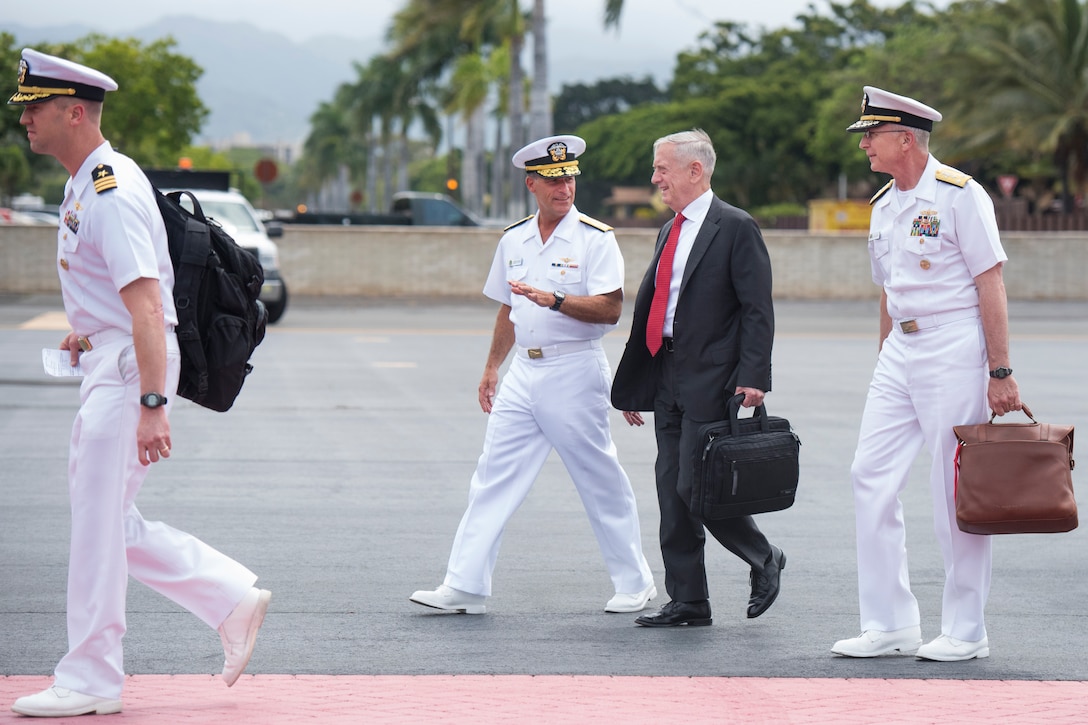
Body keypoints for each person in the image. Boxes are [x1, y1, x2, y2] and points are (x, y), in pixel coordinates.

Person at [8, 49, 271, 718]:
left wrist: (153, 403)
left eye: (35, 108)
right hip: (114, 362)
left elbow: (151, 305)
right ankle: (229, 598)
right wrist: (89, 330)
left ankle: (92, 676)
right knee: (107, 522)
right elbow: (118, 298)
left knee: (97, 528)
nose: (25, 120)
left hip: (130, 373)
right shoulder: (85, 182)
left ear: (74, 111)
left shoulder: (109, 188)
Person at [410, 135, 656, 615]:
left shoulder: (595, 239)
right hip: (525, 370)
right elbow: (508, 306)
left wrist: (556, 299)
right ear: (532, 184)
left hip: (574, 368)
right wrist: (491, 366)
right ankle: (465, 585)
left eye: (569, 179)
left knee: (597, 475)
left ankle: (635, 581)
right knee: (493, 475)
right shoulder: (514, 238)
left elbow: (610, 309)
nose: (564, 188)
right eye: (553, 180)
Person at [831, 87, 1021, 662]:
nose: (864, 143)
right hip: (901, 350)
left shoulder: (961, 196)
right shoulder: (884, 203)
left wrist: (1000, 370)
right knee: (869, 474)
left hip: (953, 344)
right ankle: (889, 622)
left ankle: (967, 630)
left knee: (953, 488)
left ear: (904, 139)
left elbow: (990, 282)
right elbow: (889, 292)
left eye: (872, 134)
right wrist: (886, 356)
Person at [611, 128, 785, 627]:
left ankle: (763, 555)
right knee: (670, 488)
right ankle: (688, 600)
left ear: (695, 170)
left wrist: (754, 376)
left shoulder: (735, 226)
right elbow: (656, 307)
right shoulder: (670, 229)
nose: (654, 178)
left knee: (696, 485)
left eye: (662, 168)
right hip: (665, 370)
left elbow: (757, 309)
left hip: (713, 377)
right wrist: (639, 380)